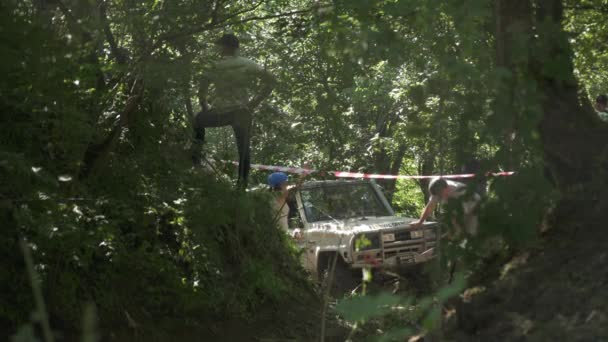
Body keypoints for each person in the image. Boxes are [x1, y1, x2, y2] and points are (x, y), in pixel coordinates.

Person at [193, 33, 276, 188]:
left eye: (220, 46)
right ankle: (242, 184)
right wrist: (254, 103)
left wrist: (205, 108)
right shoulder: (247, 63)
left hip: (221, 112)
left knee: (198, 120)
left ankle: (196, 161)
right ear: (236, 48)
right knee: (244, 149)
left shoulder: (214, 65)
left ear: (224, 47)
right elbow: (272, 80)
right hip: (241, 111)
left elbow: (202, 92)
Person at [410, 177, 481, 237]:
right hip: (461, 211)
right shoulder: (437, 190)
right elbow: (430, 207)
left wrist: (452, 232)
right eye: (438, 196)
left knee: (469, 233)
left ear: (446, 188)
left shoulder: (459, 192)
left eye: (441, 194)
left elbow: (460, 216)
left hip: (475, 209)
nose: (440, 197)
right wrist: (420, 222)